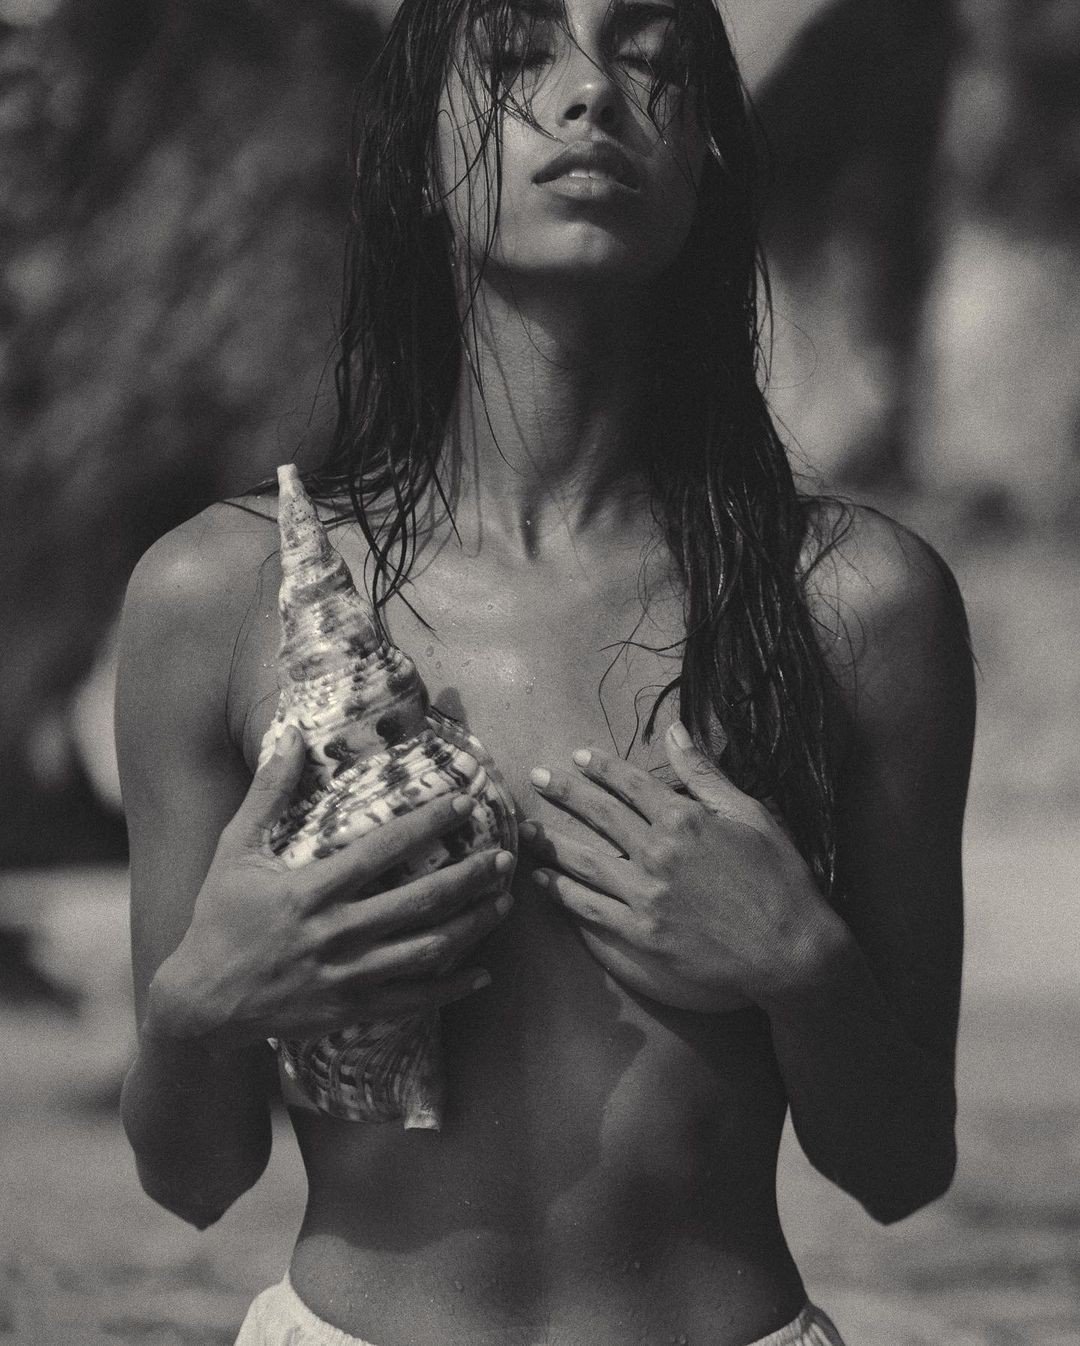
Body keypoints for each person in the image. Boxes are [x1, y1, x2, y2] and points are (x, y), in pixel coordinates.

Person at [116, 1, 974, 1343]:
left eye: (652, 60)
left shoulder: (855, 602)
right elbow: (191, 1175)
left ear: (706, 158)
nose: (591, 94)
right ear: (414, 155)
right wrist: (199, 1001)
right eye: (520, 54)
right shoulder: (222, 597)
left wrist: (803, 965)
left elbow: (902, 1165)